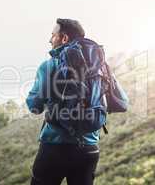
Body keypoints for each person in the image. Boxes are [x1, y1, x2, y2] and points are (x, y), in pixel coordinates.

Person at [26, 18, 101, 185]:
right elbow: (121, 102)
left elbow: (35, 106)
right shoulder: (100, 66)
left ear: (64, 38)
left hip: (55, 148)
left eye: (53, 35)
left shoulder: (49, 65)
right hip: (89, 149)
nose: (50, 40)